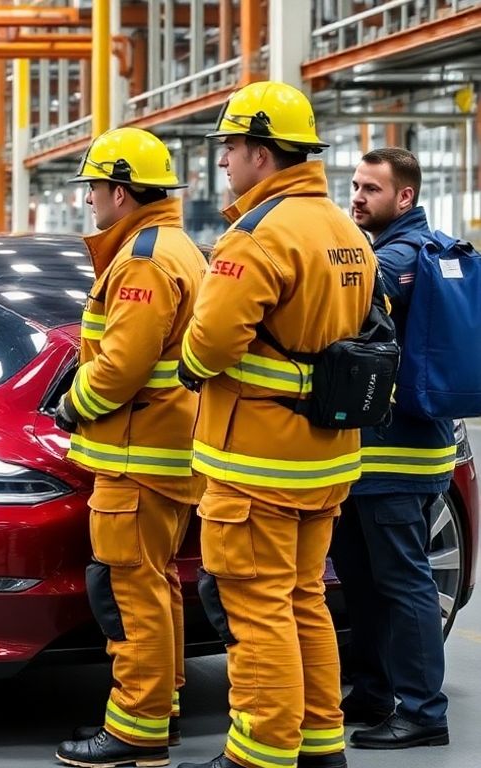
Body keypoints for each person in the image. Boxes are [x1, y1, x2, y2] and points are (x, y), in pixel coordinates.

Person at [174, 80, 376, 768]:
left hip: (256, 462)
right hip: (326, 459)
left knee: (257, 612)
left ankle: (258, 753)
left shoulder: (255, 237)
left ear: (262, 152)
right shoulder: (346, 232)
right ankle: (322, 746)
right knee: (303, 602)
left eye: (230, 148)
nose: (224, 162)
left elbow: (209, 345)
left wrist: (190, 363)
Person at [51, 128, 206, 768]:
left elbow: (119, 367)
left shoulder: (141, 259)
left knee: (131, 592)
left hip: (136, 452)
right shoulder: (180, 246)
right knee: (158, 583)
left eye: (93, 188)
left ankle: (135, 728)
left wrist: (71, 405)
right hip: (168, 449)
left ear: (119, 189)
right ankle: (161, 706)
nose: (89, 200)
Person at [330, 147, 451, 749]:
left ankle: (425, 712)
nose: (356, 196)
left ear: (404, 197)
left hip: (397, 457)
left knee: (404, 585)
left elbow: (344, 296)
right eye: (354, 185)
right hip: (375, 457)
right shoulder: (392, 249)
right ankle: (374, 692)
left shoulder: (400, 257)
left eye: (370, 189)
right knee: (365, 581)